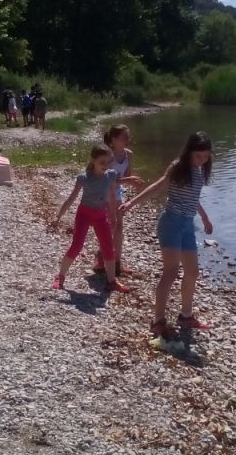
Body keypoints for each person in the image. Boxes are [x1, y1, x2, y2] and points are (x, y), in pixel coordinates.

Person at [119, 131, 214, 339]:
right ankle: (158, 321)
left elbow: (193, 197)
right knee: (170, 272)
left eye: (206, 156)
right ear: (189, 152)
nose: (202, 160)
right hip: (171, 223)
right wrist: (132, 203)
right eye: (198, 156)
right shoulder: (177, 167)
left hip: (187, 226)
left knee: (192, 272)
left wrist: (205, 217)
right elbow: (158, 186)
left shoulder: (199, 171)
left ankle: (186, 316)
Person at [50, 143, 133, 293]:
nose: (105, 165)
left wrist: (113, 217)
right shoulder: (84, 178)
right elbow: (71, 198)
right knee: (76, 246)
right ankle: (60, 276)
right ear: (93, 160)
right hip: (84, 214)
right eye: (102, 162)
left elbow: (111, 196)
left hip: (101, 216)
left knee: (109, 249)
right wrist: (58, 217)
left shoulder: (111, 175)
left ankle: (112, 281)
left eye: (108, 162)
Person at [94, 125, 143, 275]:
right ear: (113, 140)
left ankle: (117, 262)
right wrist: (128, 180)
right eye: (124, 137)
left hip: (117, 193)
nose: (128, 139)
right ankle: (101, 257)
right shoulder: (108, 156)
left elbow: (126, 176)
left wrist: (133, 181)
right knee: (110, 226)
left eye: (128, 136)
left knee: (119, 227)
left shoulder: (128, 154)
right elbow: (105, 180)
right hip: (104, 193)